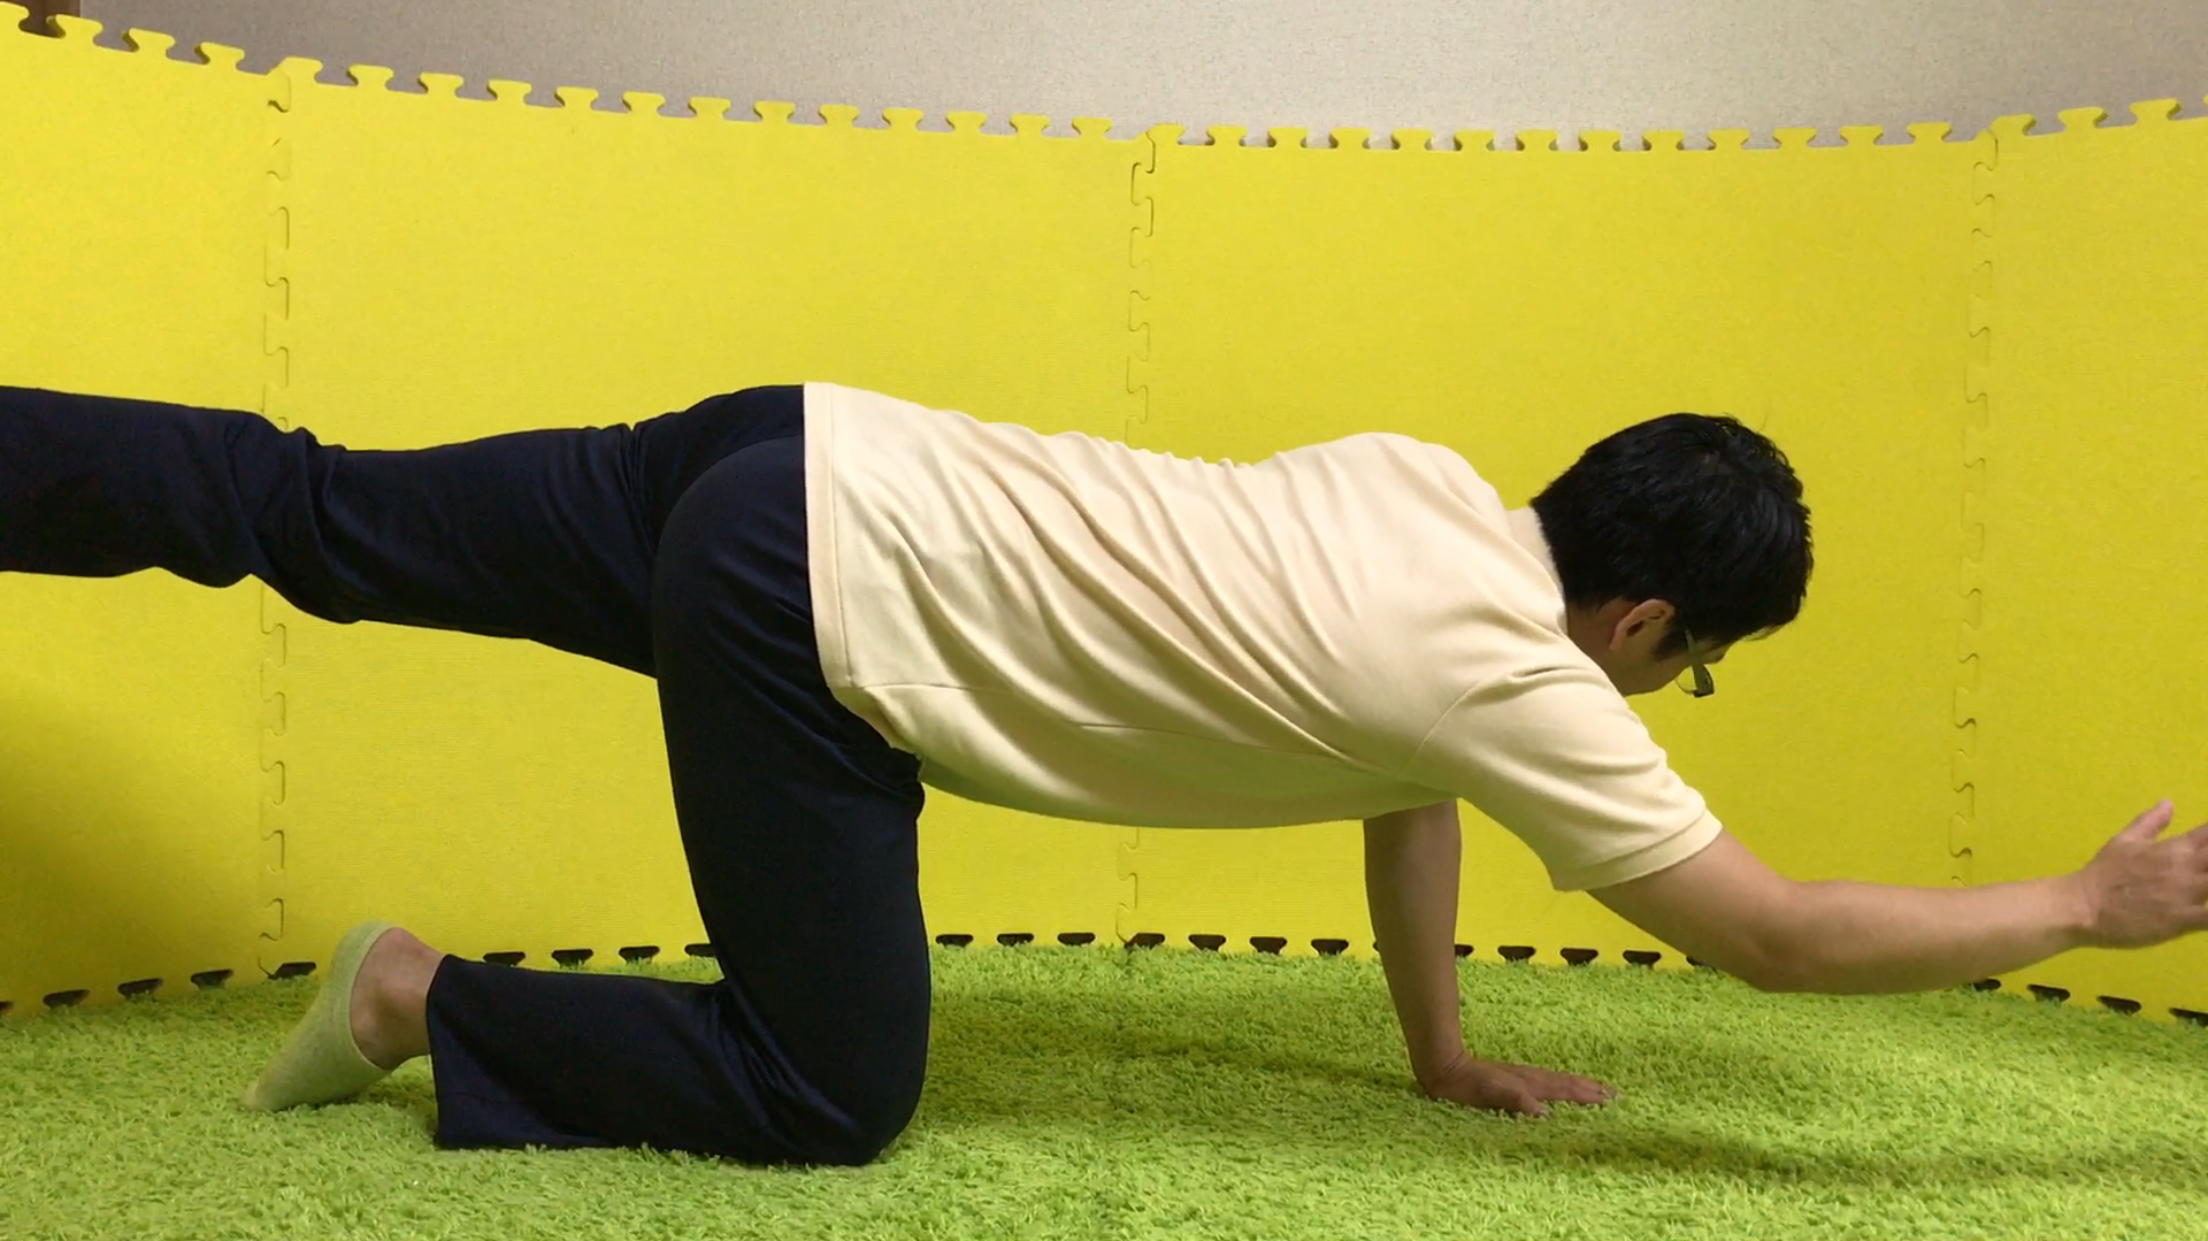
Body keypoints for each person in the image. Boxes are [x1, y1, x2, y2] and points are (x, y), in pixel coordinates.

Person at [3, 379, 2203, 1167]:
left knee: (312, 505)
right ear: (1640, 625)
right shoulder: (1519, 679)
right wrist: (2082, 908)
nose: (1662, 701)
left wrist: (1440, 1046)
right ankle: (416, 998)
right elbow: (1775, 934)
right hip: (801, 594)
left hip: (788, 439)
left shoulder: (1430, 491)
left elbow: (1403, 770)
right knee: (829, 1092)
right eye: (1690, 671)